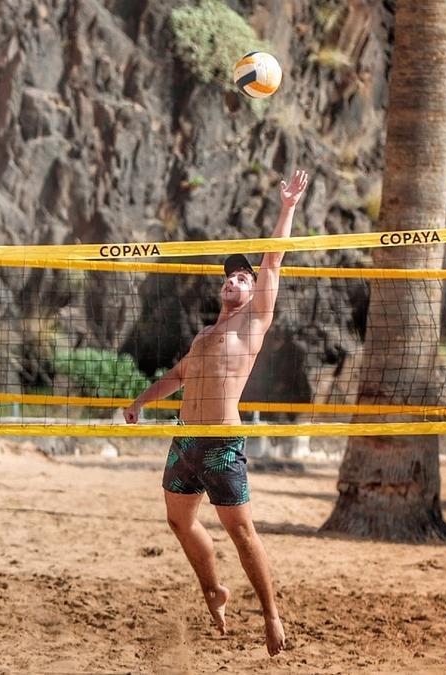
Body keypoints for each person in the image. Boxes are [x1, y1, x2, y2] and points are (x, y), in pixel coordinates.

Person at [122, 169, 310, 657]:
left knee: (242, 531)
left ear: (253, 292)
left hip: (223, 441)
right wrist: (141, 401)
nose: (235, 279)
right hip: (186, 439)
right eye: (230, 275)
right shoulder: (205, 335)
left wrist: (287, 206)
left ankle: (271, 614)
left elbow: (273, 260)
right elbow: (178, 376)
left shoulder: (255, 321)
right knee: (179, 521)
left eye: (243, 277)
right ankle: (213, 589)